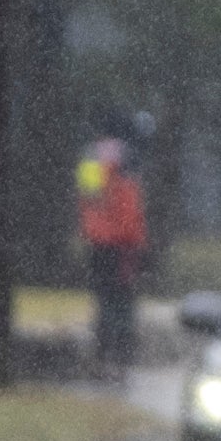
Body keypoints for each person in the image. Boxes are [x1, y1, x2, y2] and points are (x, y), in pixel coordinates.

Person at [76, 137, 146, 378]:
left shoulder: (91, 161)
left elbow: (87, 202)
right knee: (121, 304)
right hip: (120, 247)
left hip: (98, 245)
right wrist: (136, 245)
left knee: (105, 301)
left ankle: (103, 357)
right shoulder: (125, 171)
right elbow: (130, 216)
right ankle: (119, 359)